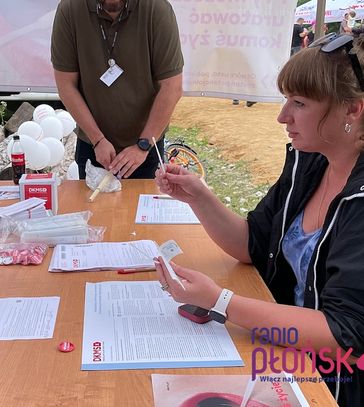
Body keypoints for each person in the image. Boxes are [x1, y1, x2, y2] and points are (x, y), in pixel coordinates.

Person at [154, 34, 364, 406]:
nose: (283, 116)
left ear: (352, 110)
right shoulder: (310, 164)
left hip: (333, 384)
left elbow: (344, 335)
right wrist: (198, 196)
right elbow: (253, 244)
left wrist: (221, 301)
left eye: (299, 103)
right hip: (284, 355)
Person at [51, 0, 183, 179]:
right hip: (93, 146)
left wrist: (143, 145)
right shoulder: (70, 9)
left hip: (147, 148)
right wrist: (97, 140)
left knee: (145, 198)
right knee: (91, 199)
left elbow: (172, 87)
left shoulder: (157, 9)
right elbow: (66, 85)